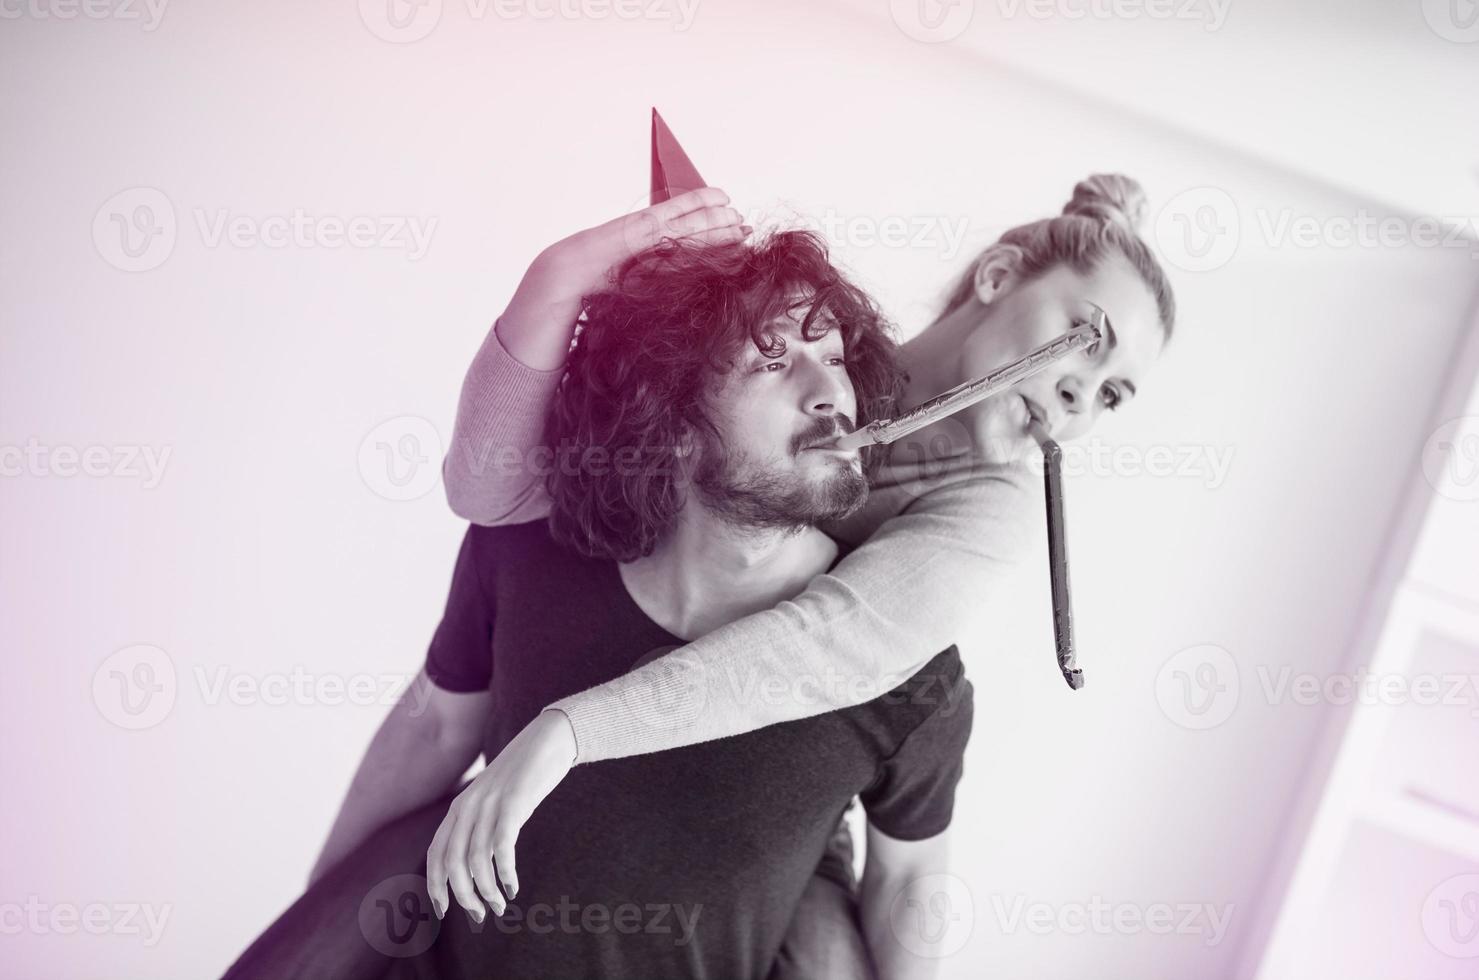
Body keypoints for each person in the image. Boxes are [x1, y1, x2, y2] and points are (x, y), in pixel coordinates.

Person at [428, 176, 1178, 960]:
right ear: (996, 277)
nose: (1078, 394)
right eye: (1084, 339)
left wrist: (571, 729)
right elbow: (493, 491)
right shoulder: (813, 346)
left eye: (1112, 394)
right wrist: (563, 277)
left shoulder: (994, 509)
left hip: (798, 783)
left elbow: (832, 653)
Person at [222, 227, 974, 979]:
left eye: (834, 356)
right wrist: (317, 926)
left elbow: (906, 882)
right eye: (769, 363)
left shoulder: (909, 670)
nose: (829, 394)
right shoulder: (525, 552)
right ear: (675, 428)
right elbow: (432, 733)